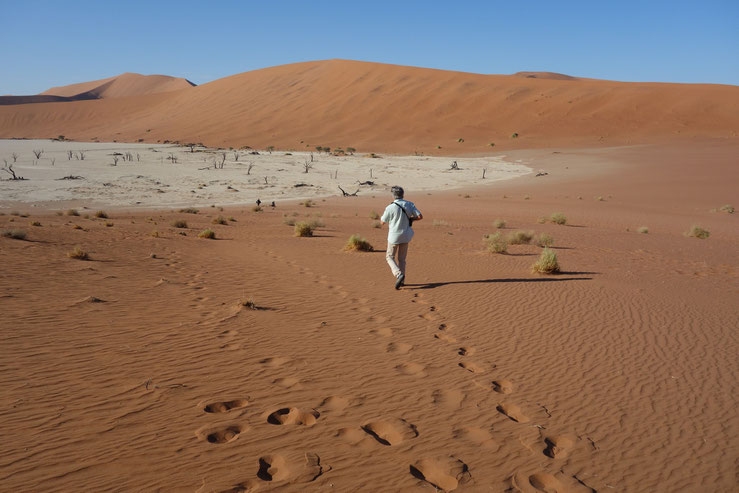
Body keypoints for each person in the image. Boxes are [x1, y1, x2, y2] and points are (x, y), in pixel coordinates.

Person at [380, 186, 423, 289]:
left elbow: (382, 222)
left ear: (393, 195)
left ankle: (398, 274)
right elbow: (420, 216)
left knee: (389, 257)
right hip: (406, 235)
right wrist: (411, 219)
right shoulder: (409, 204)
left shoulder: (390, 207)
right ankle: (402, 281)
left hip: (394, 236)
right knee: (402, 259)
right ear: (403, 194)